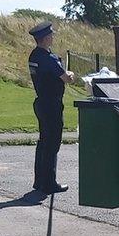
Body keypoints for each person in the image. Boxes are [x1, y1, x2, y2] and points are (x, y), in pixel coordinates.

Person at [28, 21, 74, 194]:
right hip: (52, 104)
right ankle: (49, 183)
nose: (53, 37)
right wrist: (70, 74)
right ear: (46, 38)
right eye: (51, 35)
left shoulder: (34, 56)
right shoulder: (48, 58)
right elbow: (66, 78)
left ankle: (39, 180)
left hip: (41, 102)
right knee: (52, 144)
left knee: (43, 142)